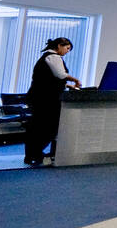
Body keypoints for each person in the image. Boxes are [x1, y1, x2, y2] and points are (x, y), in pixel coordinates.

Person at [23, 37, 81, 165]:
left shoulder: (47, 57)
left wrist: (67, 86)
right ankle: (35, 153)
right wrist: (75, 80)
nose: (67, 52)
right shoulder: (53, 57)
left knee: (39, 126)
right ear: (59, 45)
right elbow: (60, 74)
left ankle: (33, 154)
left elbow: (49, 79)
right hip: (45, 98)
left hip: (40, 96)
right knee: (48, 127)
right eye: (67, 48)